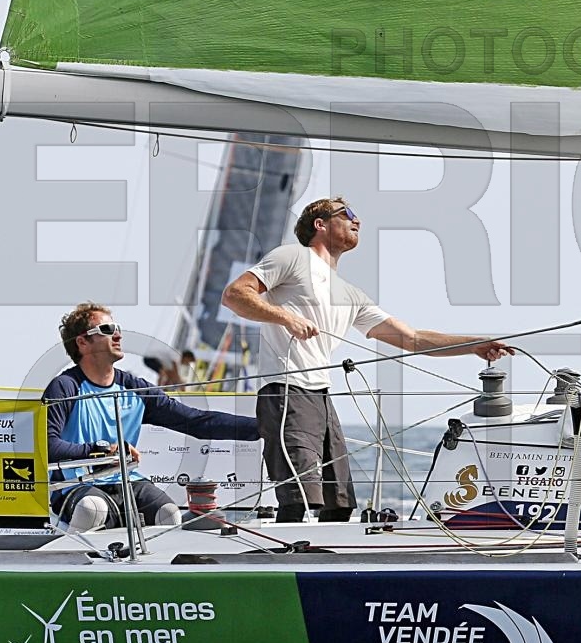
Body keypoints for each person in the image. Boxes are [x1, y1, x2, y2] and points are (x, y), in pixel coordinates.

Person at [221, 196, 513, 524]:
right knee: (298, 496)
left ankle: (329, 555)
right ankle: (285, 554)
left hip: (321, 397)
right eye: (347, 214)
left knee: (339, 502)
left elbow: (412, 339)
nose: (356, 221)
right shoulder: (292, 257)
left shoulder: (351, 295)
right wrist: (285, 317)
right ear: (320, 224)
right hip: (286, 390)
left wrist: (474, 344)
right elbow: (235, 294)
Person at [43, 303, 260, 531]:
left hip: (127, 481)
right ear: (82, 342)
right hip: (75, 485)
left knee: (169, 514)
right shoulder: (64, 387)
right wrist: (102, 450)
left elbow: (196, 422)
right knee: (92, 509)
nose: (118, 335)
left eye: (118, 328)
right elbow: (48, 446)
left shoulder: (135, 388)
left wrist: (263, 428)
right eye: (107, 330)